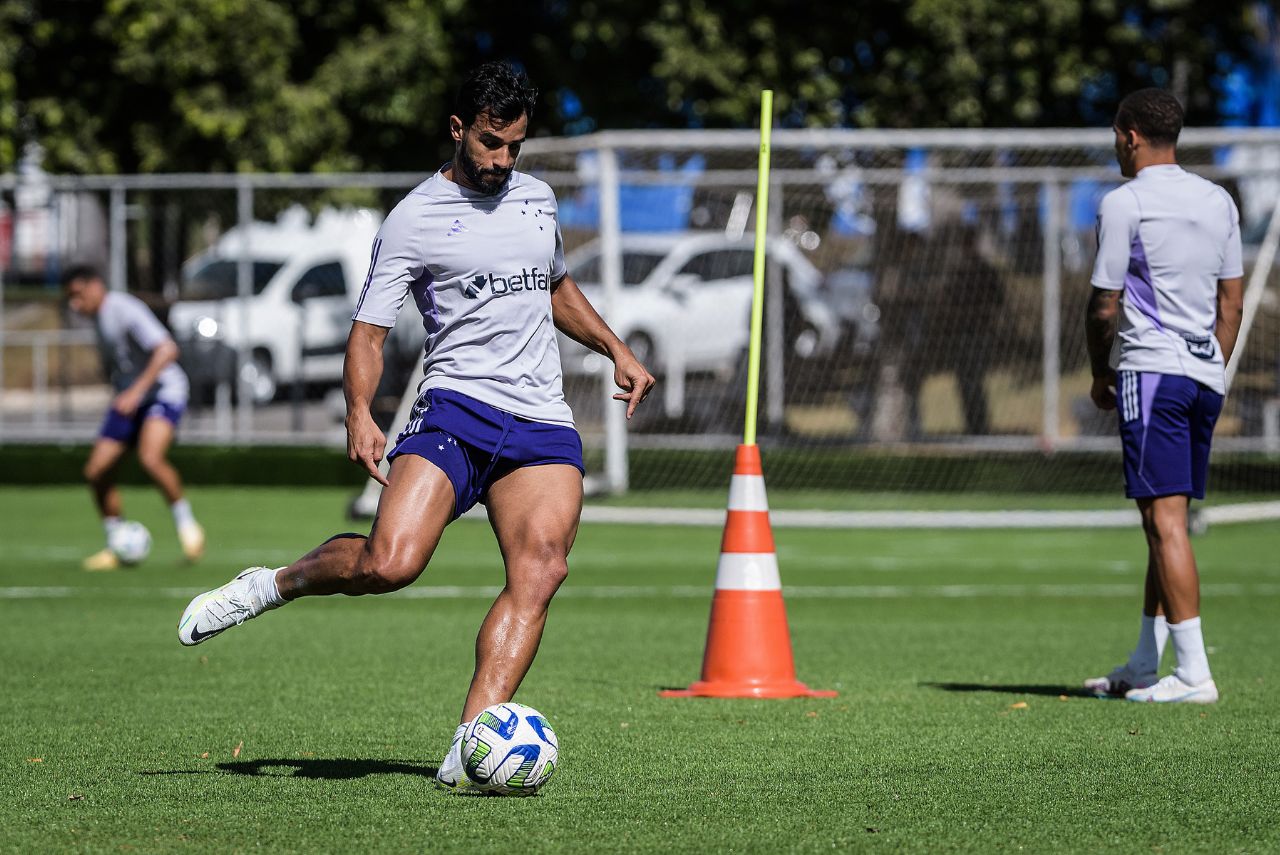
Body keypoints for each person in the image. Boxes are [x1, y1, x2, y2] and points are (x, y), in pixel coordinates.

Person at [175, 61, 655, 787]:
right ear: (458, 129)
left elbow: (555, 286)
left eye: (515, 147)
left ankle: (470, 747)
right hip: (457, 409)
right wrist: (359, 413)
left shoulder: (538, 200)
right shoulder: (413, 218)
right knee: (389, 563)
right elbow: (368, 333)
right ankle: (276, 583)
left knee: (542, 569)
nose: (502, 160)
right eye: (490, 143)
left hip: (540, 420)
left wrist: (615, 348)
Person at [1083, 89, 1243, 704]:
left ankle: (1195, 675)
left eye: (1115, 137)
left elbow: (1104, 304)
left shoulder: (1124, 202)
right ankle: (1146, 662)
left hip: (1152, 373)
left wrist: (1101, 372)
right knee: (1164, 518)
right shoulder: (1218, 200)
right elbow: (1230, 302)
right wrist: (1209, 367)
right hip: (1202, 375)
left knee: (1164, 520)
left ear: (1129, 136)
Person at [64, 265, 206, 570]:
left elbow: (167, 349)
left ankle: (188, 527)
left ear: (95, 286)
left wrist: (136, 391)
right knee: (96, 470)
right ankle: (115, 542)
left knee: (150, 458)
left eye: (78, 295)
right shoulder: (99, 318)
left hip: (164, 392)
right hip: (131, 398)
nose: (75, 304)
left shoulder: (124, 309)